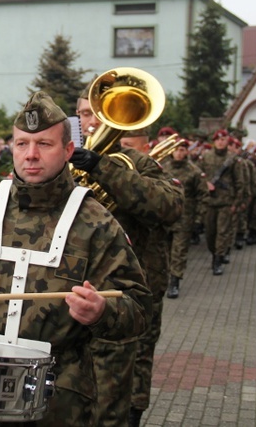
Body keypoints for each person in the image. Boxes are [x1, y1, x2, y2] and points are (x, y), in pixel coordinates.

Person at [0, 91, 151, 426]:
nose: (31, 155)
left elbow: (139, 309)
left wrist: (101, 311)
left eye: (44, 144)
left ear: (68, 150)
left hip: (60, 401)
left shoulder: (96, 224)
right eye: (22, 143)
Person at [72, 87, 183, 426]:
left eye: (94, 113)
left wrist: (101, 168)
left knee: (128, 376)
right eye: (82, 114)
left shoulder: (136, 162)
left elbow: (169, 207)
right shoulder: (61, 164)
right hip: (78, 286)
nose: (88, 122)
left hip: (130, 290)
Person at [162, 139, 209, 298]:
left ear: (187, 152)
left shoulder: (194, 171)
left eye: (182, 150)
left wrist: (199, 220)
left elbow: (203, 195)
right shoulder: (163, 168)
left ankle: (175, 281)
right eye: (176, 150)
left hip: (184, 217)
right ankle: (164, 279)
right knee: (164, 250)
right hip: (164, 217)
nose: (179, 153)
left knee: (179, 251)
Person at [199, 129, 247, 275]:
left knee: (222, 232)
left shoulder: (233, 159)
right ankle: (214, 253)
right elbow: (199, 177)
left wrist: (236, 203)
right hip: (209, 201)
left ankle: (218, 260)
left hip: (226, 201)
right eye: (218, 139)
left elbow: (239, 182)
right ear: (214, 141)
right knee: (210, 233)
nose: (221, 142)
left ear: (227, 141)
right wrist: (206, 184)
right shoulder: (206, 157)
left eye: (223, 139)